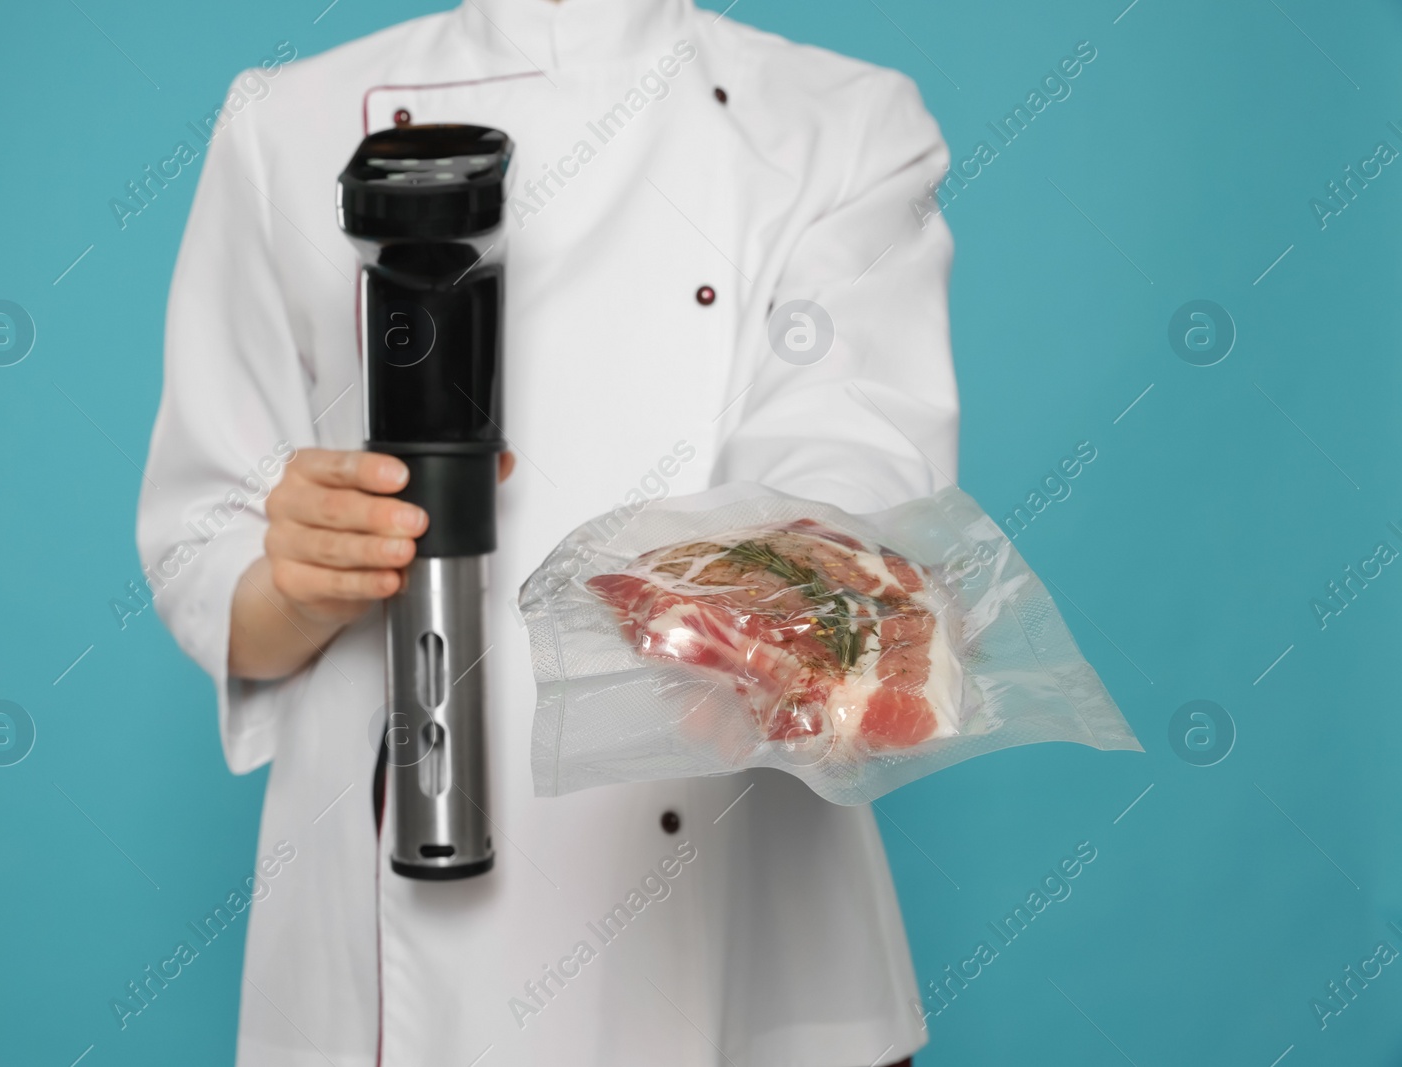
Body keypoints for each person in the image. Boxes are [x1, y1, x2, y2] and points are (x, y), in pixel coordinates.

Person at [138, 0, 959, 1062]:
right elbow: (201, 539)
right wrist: (300, 579)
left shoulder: (838, 119)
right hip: (400, 882)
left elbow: (854, 456)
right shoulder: (284, 123)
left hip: (737, 910)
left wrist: (776, 604)